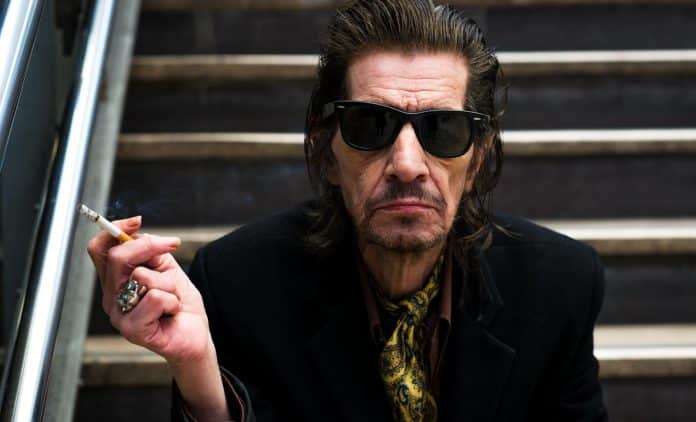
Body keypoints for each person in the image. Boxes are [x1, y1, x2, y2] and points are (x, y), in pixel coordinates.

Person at [87, 1, 608, 421]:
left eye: (443, 129)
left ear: (477, 160)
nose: (407, 165)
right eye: (369, 126)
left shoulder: (557, 287)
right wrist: (197, 368)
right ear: (327, 151)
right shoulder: (239, 285)